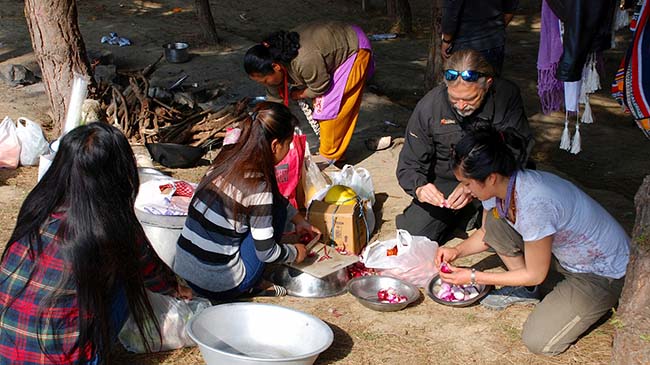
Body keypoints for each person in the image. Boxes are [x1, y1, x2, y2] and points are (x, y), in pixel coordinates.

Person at [0, 122, 189, 364]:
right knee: (127, 277)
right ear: (119, 173)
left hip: (6, 352)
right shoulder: (111, 227)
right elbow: (152, 274)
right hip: (62, 357)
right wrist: (179, 289)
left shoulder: (38, 207)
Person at [435, 126, 630, 355]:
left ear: (490, 177)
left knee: (538, 341)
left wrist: (473, 276)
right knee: (497, 224)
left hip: (601, 271)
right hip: (565, 254)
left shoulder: (534, 203)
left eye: (468, 184)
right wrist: (456, 251)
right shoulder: (501, 188)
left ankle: (580, 296)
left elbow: (536, 273)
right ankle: (528, 290)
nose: (465, 190)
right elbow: (488, 233)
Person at [174, 102, 320, 300]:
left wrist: (299, 220)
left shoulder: (226, 158)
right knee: (275, 214)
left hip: (184, 269)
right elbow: (266, 253)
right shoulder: (258, 187)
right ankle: (250, 286)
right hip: (219, 284)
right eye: (288, 144)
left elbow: (275, 199)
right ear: (276, 145)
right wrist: (295, 252)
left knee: (272, 209)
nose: (288, 149)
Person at [396, 49, 533, 244]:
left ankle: (476, 212)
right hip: (448, 182)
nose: (461, 105)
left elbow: (518, 150)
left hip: (495, 178)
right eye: (454, 99)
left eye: (469, 99)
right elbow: (409, 164)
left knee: (505, 239)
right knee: (413, 236)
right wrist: (420, 188)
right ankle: (466, 214)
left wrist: (473, 185)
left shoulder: (506, 96)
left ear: (488, 84)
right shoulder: (430, 106)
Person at [244, 21, 374, 164]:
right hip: (324, 53)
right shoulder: (272, 59)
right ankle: (335, 150)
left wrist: (299, 94)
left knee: (328, 110)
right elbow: (275, 101)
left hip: (353, 48)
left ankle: (330, 155)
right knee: (321, 105)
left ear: (276, 67)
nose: (265, 85)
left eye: (265, 81)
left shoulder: (304, 61)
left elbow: (320, 86)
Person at [441, 0, 519, 75]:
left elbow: (450, 14)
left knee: (464, 85)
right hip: (494, 42)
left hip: (465, 45)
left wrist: (446, 41)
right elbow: (510, 9)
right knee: (491, 83)